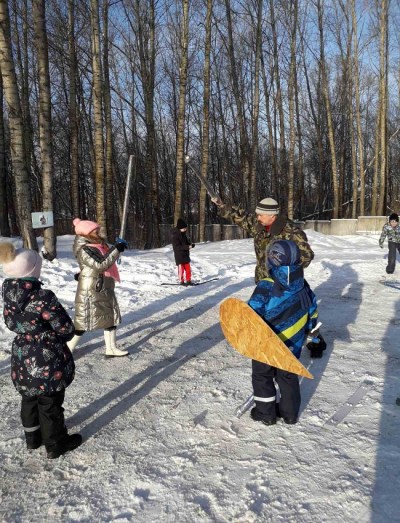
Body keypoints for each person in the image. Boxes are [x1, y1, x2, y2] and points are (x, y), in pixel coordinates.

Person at [0, 242, 82, 459]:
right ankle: (56, 443)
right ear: (33, 270)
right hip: (45, 357)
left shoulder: (8, 293)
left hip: (21, 353)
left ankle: (33, 438)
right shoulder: (43, 297)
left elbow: (11, 322)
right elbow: (65, 327)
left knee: (29, 397)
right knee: (49, 402)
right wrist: (60, 337)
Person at [247, 240, 319, 425]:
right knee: (287, 376)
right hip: (293, 344)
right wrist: (314, 337)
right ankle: (290, 414)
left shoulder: (267, 285)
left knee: (262, 376)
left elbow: (251, 313)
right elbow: (313, 312)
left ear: (272, 260)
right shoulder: (303, 285)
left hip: (267, 344)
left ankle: (266, 413)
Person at [211, 196, 314, 283]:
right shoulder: (258, 225)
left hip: (283, 286)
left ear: (272, 215)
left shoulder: (292, 232)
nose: (258, 218)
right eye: (257, 215)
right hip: (262, 282)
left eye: (260, 215)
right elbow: (241, 216)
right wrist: (222, 205)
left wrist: (284, 266)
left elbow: (307, 256)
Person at [67, 218, 128, 357]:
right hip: (92, 290)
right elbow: (100, 264)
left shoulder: (97, 245)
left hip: (103, 286)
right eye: (95, 231)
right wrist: (116, 250)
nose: (98, 232)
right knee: (83, 322)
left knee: (110, 317)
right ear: (86, 233)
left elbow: (99, 262)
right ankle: (67, 348)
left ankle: (111, 348)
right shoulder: (85, 249)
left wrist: (118, 249)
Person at [171, 218, 195, 286]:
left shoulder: (183, 234)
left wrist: (190, 244)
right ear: (180, 228)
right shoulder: (175, 235)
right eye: (184, 228)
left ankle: (188, 280)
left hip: (185, 254)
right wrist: (187, 247)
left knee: (188, 268)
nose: (185, 229)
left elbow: (185, 243)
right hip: (179, 255)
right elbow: (177, 247)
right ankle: (181, 281)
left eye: (185, 228)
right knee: (181, 269)